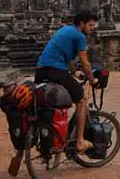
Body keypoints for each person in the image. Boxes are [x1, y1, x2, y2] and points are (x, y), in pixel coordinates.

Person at [35, 10, 99, 154]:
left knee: (45, 104)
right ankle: (80, 142)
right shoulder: (79, 36)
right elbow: (86, 63)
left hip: (41, 70)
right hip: (56, 71)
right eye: (90, 25)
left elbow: (66, 58)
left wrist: (74, 72)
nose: (92, 28)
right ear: (81, 24)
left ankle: (43, 134)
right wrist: (91, 79)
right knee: (81, 100)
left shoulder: (65, 30)